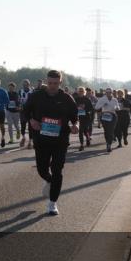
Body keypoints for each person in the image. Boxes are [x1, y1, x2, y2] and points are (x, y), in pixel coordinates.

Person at [26, 70, 79, 215]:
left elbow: (75, 117)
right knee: (42, 170)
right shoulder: (36, 96)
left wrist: (76, 125)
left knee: (57, 171)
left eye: (55, 83)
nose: (52, 86)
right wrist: (31, 120)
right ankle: (49, 181)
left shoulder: (67, 98)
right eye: (50, 83)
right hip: (41, 139)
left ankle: (52, 203)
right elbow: (25, 111)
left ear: (60, 82)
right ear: (46, 81)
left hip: (60, 140)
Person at [94, 87, 119, 152]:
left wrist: (116, 108)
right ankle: (108, 142)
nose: (108, 93)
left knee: (111, 130)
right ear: (105, 93)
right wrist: (102, 105)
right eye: (107, 92)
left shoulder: (115, 100)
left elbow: (118, 107)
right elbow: (96, 107)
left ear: (112, 92)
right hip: (105, 116)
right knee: (106, 131)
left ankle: (109, 144)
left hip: (113, 115)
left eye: (110, 92)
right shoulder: (102, 99)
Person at [73, 86, 94, 150]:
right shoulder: (76, 99)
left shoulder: (87, 99)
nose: (81, 92)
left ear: (84, 92)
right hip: (79, 117)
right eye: (80, 91)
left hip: (86, 117)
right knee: (81, 131)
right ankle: (82, 145)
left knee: (85, 131)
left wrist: (84, 109)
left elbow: (91, 108)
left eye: (82, 91)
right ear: (78, 92)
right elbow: (73, 107)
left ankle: (87, 138)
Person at [18, 79, 34, 148]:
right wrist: (19, 106)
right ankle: (23, 138)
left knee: (30, 127)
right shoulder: (20, 91)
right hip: (23, 110)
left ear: (28, 85)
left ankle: (30, 141)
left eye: (26, 84)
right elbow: (18, 100)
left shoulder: (32, 91)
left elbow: (34, 101)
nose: (25, 85)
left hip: (30, 111)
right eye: (24, 84)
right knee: (23, 125)